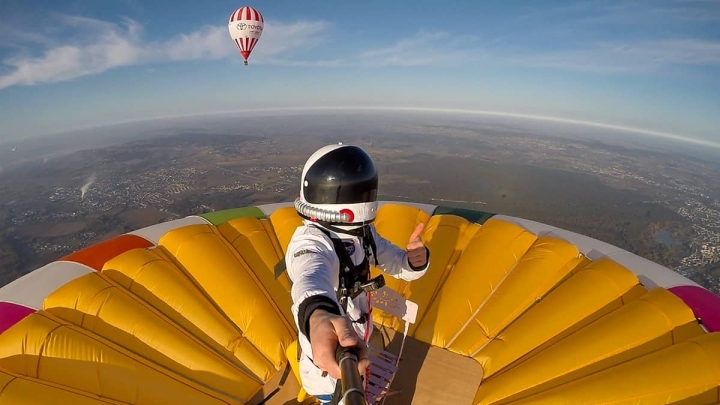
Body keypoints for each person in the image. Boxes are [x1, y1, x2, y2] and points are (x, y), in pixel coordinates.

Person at [285, 143, 431, 404]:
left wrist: (414, 262)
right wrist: (318, 314)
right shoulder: (310, 242)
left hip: (356, 345)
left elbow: (396, 263)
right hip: (329, 361)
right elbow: (309, 276)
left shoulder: (363, 235)